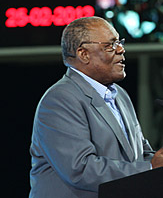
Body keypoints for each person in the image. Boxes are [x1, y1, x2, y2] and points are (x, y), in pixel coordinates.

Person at [29, 16, 163, 198]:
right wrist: (150, 167)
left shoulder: (120, 95)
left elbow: (139, 154)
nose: (121, 50)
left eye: (119, 43)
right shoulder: (60, 99)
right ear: (83, 54)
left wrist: (157, 162)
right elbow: (80, 169)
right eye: (111, 45)